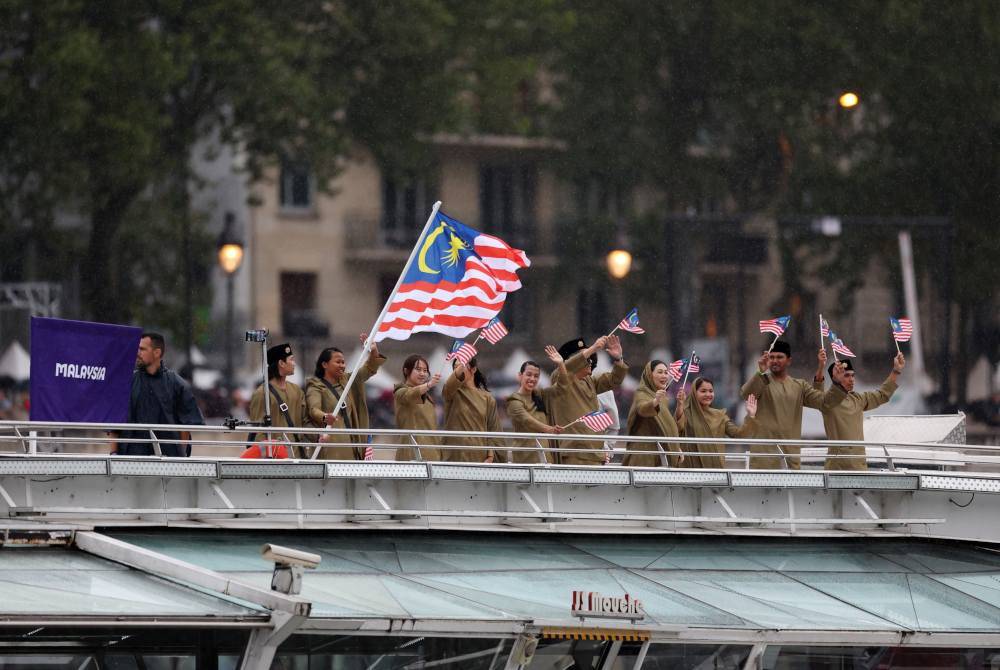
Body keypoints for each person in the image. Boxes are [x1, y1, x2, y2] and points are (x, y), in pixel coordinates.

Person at [739, 341, 839, 469]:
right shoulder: (762, 381)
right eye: (772, 357)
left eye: (779, 357)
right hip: (764, 458)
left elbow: (822, 402)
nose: (775, 360)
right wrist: (760, 372)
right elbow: (746, 394)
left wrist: (821, 368)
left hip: (790, 458)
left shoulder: (799, 385)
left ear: (789, 361)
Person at [112, 332, 204, 456]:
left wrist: (180, 455)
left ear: (157, 353)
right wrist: (113, 453)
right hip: (131, 459)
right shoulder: (126, 384)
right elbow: (113, 425)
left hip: (168, 461)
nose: (137, 352)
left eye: (142, 349)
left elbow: (186, 424)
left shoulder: (177, 384)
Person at [546, 335, 628, 465]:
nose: (590, 361)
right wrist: (594, 347)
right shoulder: (560, 379)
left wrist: (618, 358)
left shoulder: (590, 381)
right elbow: (565, 369)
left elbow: (614, 380)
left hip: (596, 452)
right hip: (574, 452)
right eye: (586, 358)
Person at [818, 353, 905, 470]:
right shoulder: (827, 402)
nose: (852, 379)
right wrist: (820, 367)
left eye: (853, 375)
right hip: (836, 469)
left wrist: (896, 371)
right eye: (846, 375)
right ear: (835, 377)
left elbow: (882, 395)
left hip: (859, 467)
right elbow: (816, 393)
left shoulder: (857, 399)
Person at [307, 334, 387, 460]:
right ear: (324, 364)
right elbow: (313, 409)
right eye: (338, 362)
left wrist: (374, 351)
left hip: (352, 444)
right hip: (331, 448)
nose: (342, 365)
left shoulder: (349, 381)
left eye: (343, 362)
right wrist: (324, 417)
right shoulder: (316, 386)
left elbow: (369, 368)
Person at [676, 377, 758, 468]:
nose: (708, 394)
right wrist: (680, 406)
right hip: (690, 471)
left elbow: (739, 434)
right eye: (703, 391)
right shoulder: (686, 413)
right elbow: (677, 427)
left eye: (711, 391)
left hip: (715, 470)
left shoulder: (719, 416)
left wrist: (751, 415)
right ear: (694, 393)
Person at [249, 343, 308, 458]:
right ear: (281, 363)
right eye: (291, 360)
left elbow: (305, 420)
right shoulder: (262, 393)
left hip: (297, 457)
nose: (294, 363)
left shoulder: (296, 390)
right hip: (274, 459)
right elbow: (258, 432)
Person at [622, 360, 683, 467]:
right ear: (650, 375)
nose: (664, 376)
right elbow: (642, 409)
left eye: (665, 372)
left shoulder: (663, 398)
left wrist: (675, 447)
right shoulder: (641, 392)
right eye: (660, 372)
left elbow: (666, 426)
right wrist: (655, 401)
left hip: (661, 454)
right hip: (644, 455)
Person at [442, 357, 502, 462]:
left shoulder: (487, 398)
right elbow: (448, 386)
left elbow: (493, 429)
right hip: (455, 456)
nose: (458, 370)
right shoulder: (451, 392)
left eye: (462, 366)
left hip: (479, 456)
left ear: (473, 369)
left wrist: (490, 455)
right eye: (455, 368)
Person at [505, 360, 562, 463]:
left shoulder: (540, 395)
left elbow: (562, 387)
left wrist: (561, 364)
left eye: (536, 376)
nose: (532, 379)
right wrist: (549, 429)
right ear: (520, 376)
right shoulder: (513, 400)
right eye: (529, 375)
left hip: (545, 456)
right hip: (525, 457)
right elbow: (527, 420)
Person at [393, 354, 442, 461]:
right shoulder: (400, 391)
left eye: (425, 370)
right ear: (406, 371)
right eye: (418, 369)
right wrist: (429, 385)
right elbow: (410, 394)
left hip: (432, 453)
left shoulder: (428, 398)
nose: (422, 373)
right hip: (411, 454)